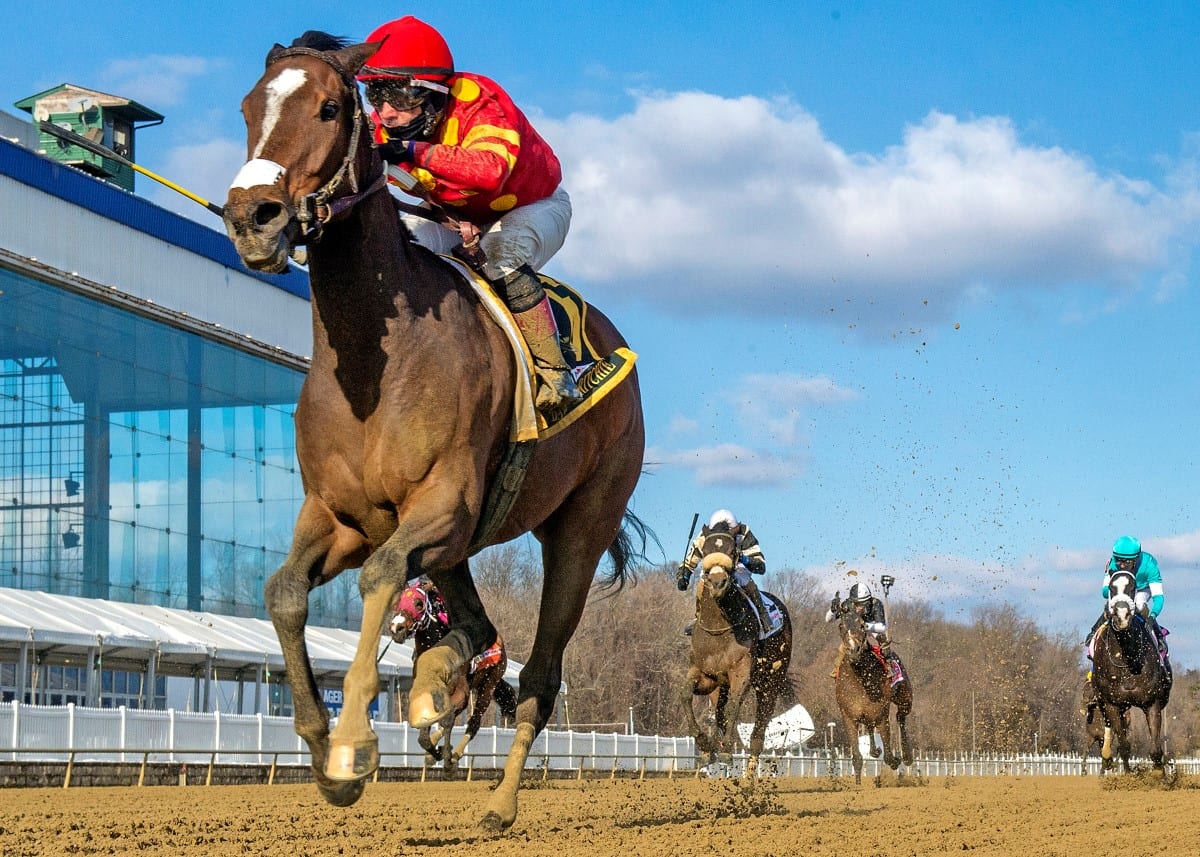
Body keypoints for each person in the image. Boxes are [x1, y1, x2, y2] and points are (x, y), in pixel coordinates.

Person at [356, 15, 580, 414]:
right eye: (375, 96)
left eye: (396, 95)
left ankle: (554, 370)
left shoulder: (481, 101)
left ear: (433, 92)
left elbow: (490, 171)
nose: (385, 113)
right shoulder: (387, 125)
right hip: (454, 213)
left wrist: (413, 153)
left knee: (502, 253)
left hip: (534, 205)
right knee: (399, 250)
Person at [677, 509, 770, 633]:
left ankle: (763, 615)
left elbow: (760, 564)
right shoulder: (704, 536)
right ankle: (698, 617)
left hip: (736, 567)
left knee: (745, 581)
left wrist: (743, 558)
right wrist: (683, 576)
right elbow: (689, 561)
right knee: (701, 583)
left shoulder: (743, 532)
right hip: (711, 569)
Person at [1084, 535, 1168, 657]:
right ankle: (1094, 633)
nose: (1122, 565)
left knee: (1139, 604)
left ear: (1137, 558)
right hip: (1123, 588)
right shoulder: (1112, 563)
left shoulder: (1150, 565)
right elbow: (1104, 592)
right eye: (1119, 560)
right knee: (1113, 604)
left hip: (1142, 589)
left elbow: (1158, 597)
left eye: (1127, 562)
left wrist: (1152, 615)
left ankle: (1159, 636)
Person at [825, 582, 903, 682]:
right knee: (845, 646)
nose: (859, 607)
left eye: (861, 604)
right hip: (855, 629)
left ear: (868, 601)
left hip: (873, 626)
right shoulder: (847, 604)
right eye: (856, 604)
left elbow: (882, 627)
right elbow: (828, 620)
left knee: (882, 638)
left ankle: (889, 665)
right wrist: (832, 610)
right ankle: (836, 669)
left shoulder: (876, 604)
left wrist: (865, 626)